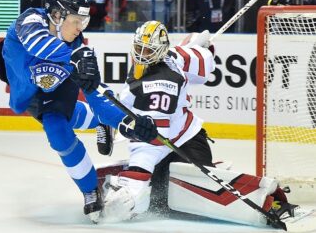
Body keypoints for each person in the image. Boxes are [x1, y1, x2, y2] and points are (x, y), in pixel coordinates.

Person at [97, 21, 299, 226]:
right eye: (139, 48)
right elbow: (202, 59)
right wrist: (201, 45)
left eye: (148, 50)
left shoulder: (165, 80)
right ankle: (154, 176)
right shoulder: (177, 56)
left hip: (185, 138)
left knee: (184, 203)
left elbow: (152, 137)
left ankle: (194, 173)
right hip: (157, 142)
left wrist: (137, 178)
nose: (142, 55)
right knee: (161, 198)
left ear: (160, 50)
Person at [0, 0, 157, 223]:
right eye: (77, 20)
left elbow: (100, 97)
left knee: (57, 130)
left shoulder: (79, 48)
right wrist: (73, 56)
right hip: (26, 90)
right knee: (66, 117)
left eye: (84, 21)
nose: (81, 27)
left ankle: (90, 190)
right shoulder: (30, 20)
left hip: (54, 91)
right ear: (57, 16)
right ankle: (99, 124)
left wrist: (129, 125)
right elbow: (36, 44)